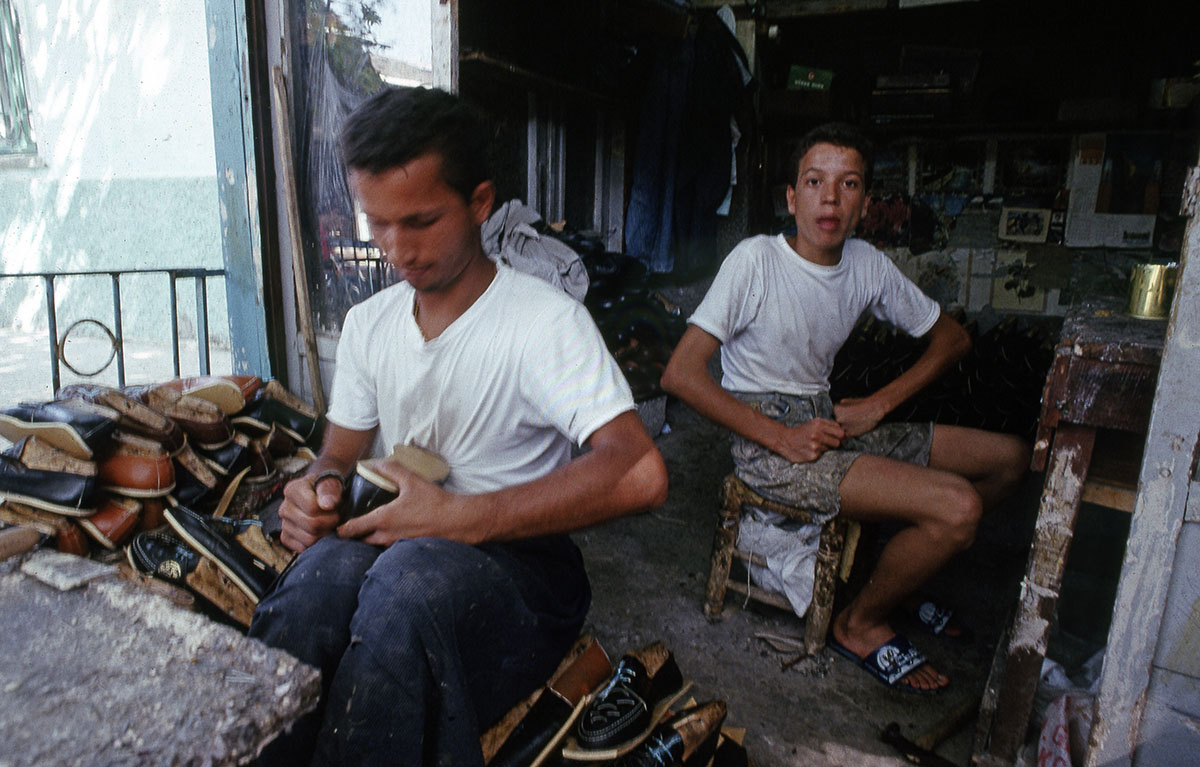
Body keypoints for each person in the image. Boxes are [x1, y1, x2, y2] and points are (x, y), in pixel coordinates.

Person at [250, 86, 668, 765]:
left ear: (479, 203)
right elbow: (340, 451)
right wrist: (317, 490)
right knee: (314, 588)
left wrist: (462, 517)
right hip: (399, 540)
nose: (396, 248)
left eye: (419, 221)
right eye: (377, 223)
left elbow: (641, 471)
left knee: (407, 587)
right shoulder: (370, 324)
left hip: (520, 570)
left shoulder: (542, 323)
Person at [661, 122, 1028, 693]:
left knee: (1008, 459)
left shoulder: (866, 264)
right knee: (957, 509)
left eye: (848, 184)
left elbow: (953, 339)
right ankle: (859, 623)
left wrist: (879, 405)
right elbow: (680, 374)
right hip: (770, 446)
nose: (829, 199)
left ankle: (902, 571)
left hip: (828, 421)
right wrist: (778, 437)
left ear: (864, 204)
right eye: (814, 181)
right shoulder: (756, 260)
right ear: (791, 198)